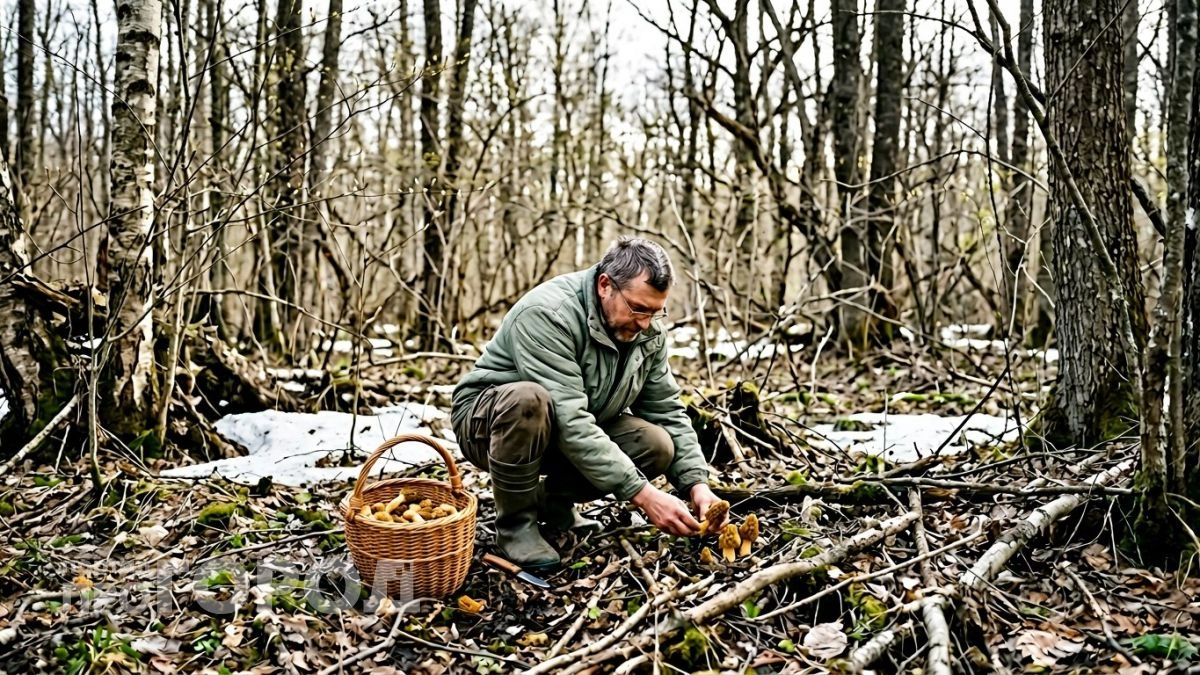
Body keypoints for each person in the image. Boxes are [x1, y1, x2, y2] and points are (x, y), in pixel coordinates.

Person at [451, 236, 727, 570]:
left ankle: (554, 503)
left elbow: (666, 408)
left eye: (655, 312)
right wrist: (643, 494)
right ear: (604, 285)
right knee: (529, 400)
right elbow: (570, 419)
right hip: (490, 424)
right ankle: (515, 525)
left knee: (656, 444)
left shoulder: (647, 330)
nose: (645, 323)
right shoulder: (548, 314)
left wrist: (697, 484)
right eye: (638, 308)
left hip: (567, 427)